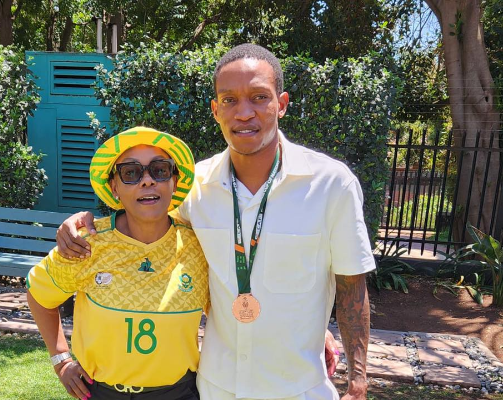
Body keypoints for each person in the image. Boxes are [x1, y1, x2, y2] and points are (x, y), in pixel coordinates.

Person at [57, 44, 374, 399]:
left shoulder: (332, 184)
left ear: (281, 104)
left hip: (300, 388)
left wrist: (358, 380)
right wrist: (85, 223)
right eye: (229, 100)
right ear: (215, 110)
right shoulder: (194, 187)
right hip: (215, 388)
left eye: (258, 97)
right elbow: (142, 221)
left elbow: (351, 286)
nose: (243, 113)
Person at [27, 126, 209, 400]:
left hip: (179, 393)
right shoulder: (87, 244)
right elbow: (39, 296)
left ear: (174, 180)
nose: (147, 181)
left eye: (159, 170)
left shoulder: (201, 247)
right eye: (131, 173)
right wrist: (61, 360)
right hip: (101, 393)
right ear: (114, 187)